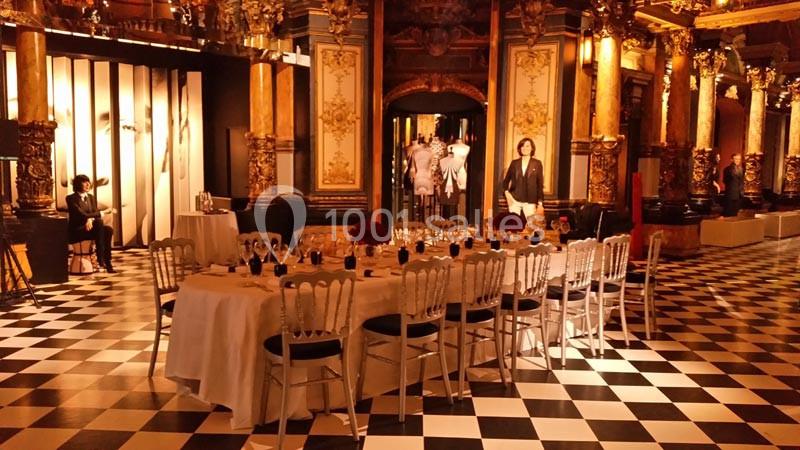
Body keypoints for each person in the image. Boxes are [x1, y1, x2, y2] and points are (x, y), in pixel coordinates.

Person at [67, 174, 117, 273]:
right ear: (78, 184)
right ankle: (100, 258)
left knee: (108, 230)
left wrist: (90, 219)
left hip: (91, 229)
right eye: (84, 182)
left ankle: (107, 261)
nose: (88, 184)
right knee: (99, 222)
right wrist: (102, 213)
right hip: (77, 231)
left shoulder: (91, 197)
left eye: (88, 182)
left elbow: (93, 213)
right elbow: (81, 214)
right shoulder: (71, 198)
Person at [503, 137, 544, 219]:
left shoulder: (537, 163)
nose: (525, 148)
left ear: (532, 148)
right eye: (523, 146)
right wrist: (507, 195)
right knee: (514, 224)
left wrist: (540, 203)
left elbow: (540, 184)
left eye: (527, 146)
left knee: (531, 225)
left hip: (530, 201)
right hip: (514, 200)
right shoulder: (514, 163)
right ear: (520, 148)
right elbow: (505, 182)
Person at [722, 153, 744, 217]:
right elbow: (725, 181)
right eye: (736, 159)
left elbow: (741, 181)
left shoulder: (741, 169)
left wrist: (741, 192)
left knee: (735, 212)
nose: (738, 160)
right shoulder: (727, 169)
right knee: (729, 212)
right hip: (730, 193)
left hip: (739, 193)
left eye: (739, 159)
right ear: (732, 160)